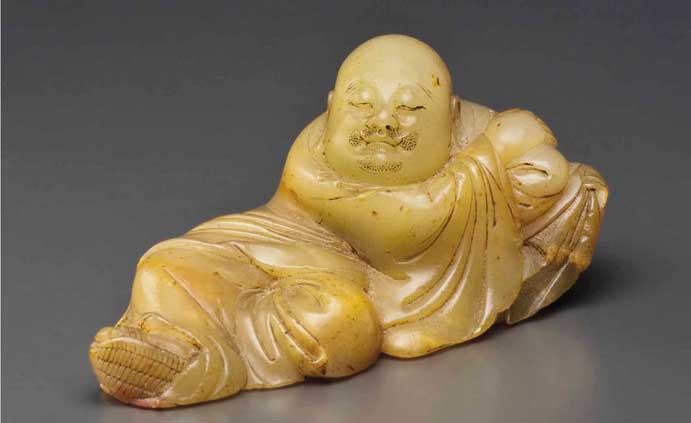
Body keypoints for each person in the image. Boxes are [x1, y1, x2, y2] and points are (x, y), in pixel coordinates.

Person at [89, 34, 608, 408]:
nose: (383, 123)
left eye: (411, 109)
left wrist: (542, 183)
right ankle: (162, 341)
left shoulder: (479, 131)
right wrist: (487, 162)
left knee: (338, 325)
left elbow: (551, 177)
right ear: (333, 107)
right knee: (168, 263)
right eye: (361, 105)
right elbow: (403, 226)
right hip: (284, 241)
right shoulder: (311, 159)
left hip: (345, 286)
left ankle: (198, 363)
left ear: (451, 115)